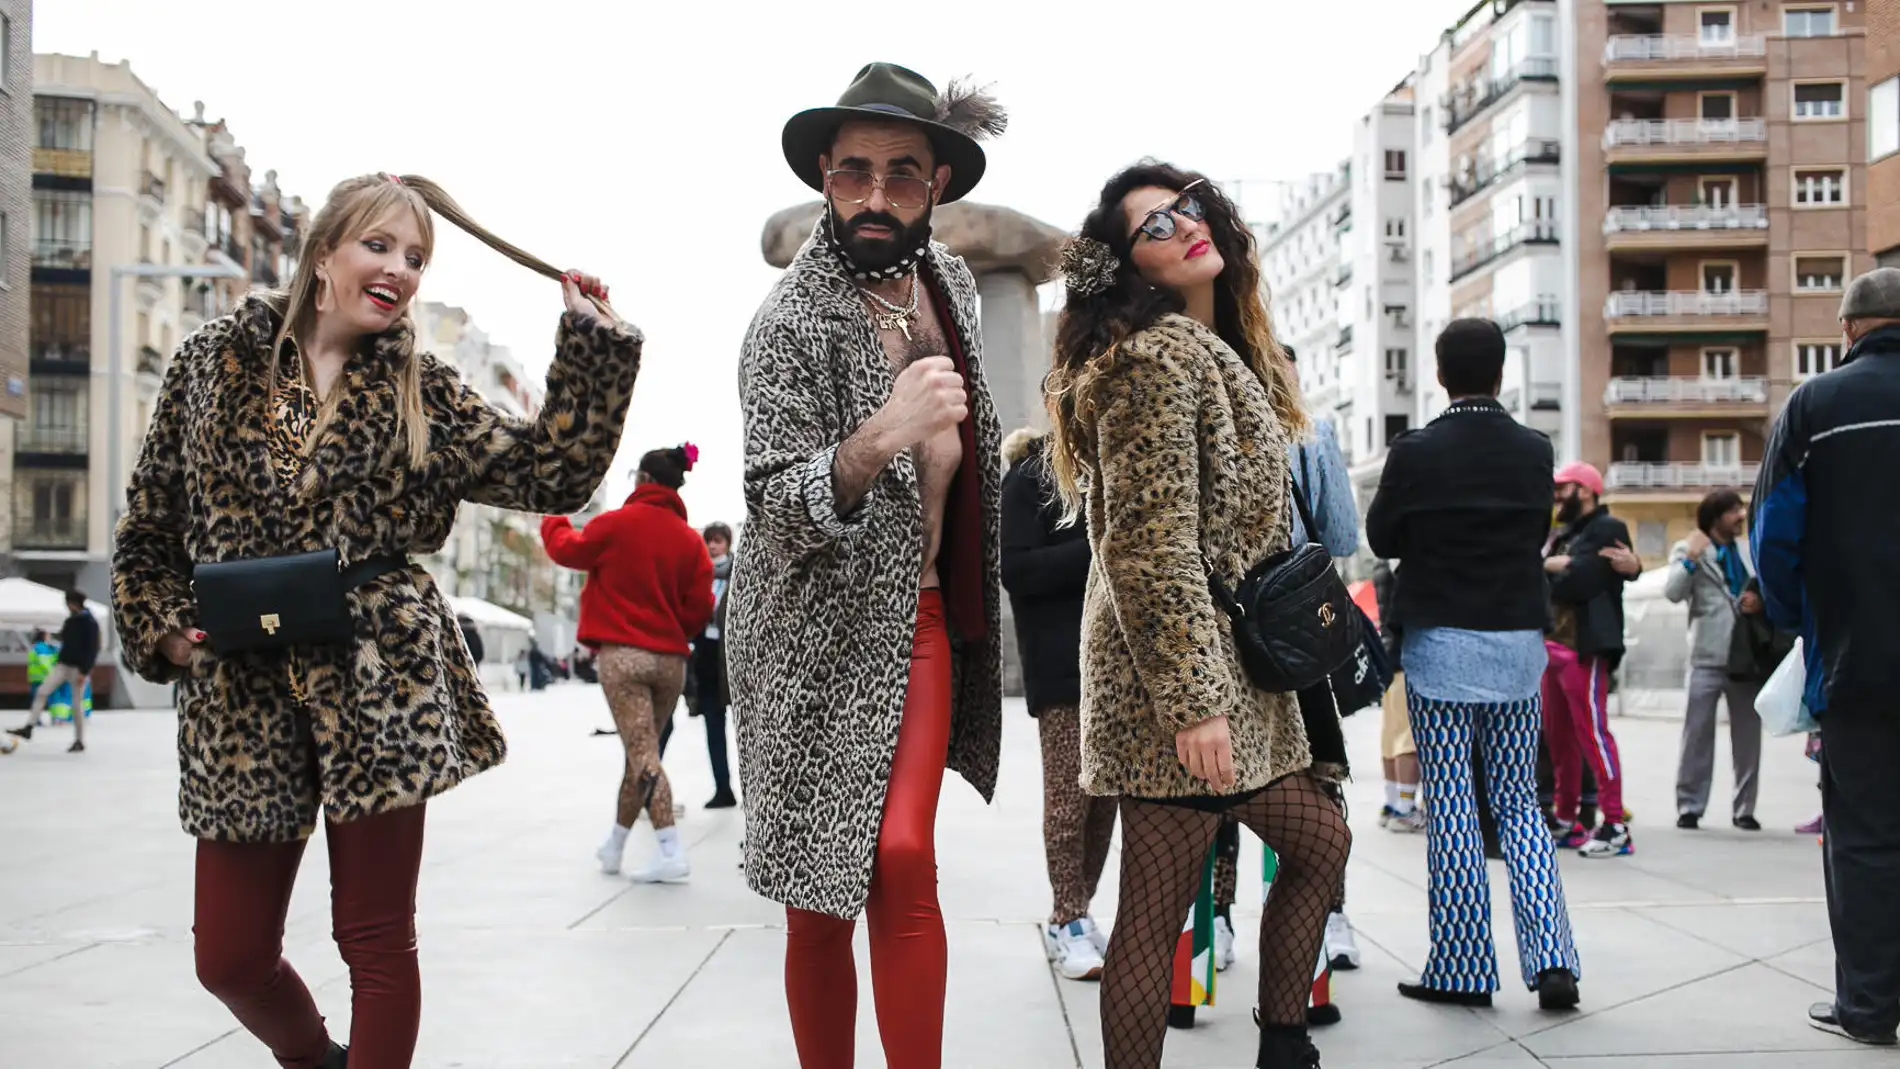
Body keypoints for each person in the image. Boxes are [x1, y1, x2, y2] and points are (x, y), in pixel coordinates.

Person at [110, 172, 642, 1069]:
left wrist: (593, 347)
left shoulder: (421, 390)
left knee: (377, 940)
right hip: (239, 680)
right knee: (230, 955)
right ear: (324, 255)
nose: (399, 268)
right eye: (380, 245)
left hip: (377, 677)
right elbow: (151, 523)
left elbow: (552, 474)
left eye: (417, 256)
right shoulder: (216, 363)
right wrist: (164, 629)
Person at [727, 62, 1006, 1069]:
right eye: (853, 173)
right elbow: (772, 504)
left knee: (899, 854)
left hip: (919, 620)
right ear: (824, 178)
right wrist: (881, 434)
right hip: (804, 638)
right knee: (817, 891)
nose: (875, 196)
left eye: (901, 173)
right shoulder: (787, 326)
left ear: (936, 185)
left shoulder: (953, 288)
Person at [1045, 162, 1351, 1069]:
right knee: (1157, 904)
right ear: (1130, 268)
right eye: (1153, 226)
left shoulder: (1213, 350)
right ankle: (1282, 1047)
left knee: (1319, 843)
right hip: (1176, 675)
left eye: (1183, 208)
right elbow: (1148, 546)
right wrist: (1192, 702)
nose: (1181, 226)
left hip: (1232, 663)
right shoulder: (1147, 362)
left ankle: (1285, 1044)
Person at [1365, 317, 1581, 1012]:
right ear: (1501, 373)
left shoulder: (1416, 450)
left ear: (1439, 373)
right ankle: (1552, 959)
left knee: (1453, 799)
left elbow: (1381, 535)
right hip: (1516, 641)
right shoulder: (1533, 449)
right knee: (1519, 802)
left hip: (1440, 645)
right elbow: (1535, 530)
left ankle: (1461, 967)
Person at [1753, 266, 1900, 1047]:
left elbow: (1774, 534)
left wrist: (1795, 622)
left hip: (1860, 653)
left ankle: (1870, 1008)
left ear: (1848, 330)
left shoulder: (1817, 405)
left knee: (1867, 833)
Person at [543, 445, 716, 883]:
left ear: (641, 480)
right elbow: (700, 609)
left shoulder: (616, 525)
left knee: (642, 754)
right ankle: (615, 846)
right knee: (641, 753)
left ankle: (670, 849)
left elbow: (568, 550)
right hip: (671, 662)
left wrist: (553, 515)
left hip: (623, 658)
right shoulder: (692, 541)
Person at [1001, 425, 1114, 982]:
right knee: (1070, 801)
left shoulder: (1119, 460)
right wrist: (1098, 543)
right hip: (1062, 664)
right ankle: (1068, 916)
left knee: (1107, 799)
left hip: (1120, 666)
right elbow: (1015, 568)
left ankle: (1078, 910)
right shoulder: (1031, 476)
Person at [1543, 462, 1641, 858]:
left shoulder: (1606, 528)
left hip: (1585, 646)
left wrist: (1557, 568)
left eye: (1562, 488)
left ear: (1584, 489)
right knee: (1558, 738)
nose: (1556, 496)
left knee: (1593, 735)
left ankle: (1615, 824)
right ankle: (1568, 820)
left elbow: (1582, 580)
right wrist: (1556, 566)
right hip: (1554, 647)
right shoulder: (1565, 533)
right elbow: (1558, 576)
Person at [1663, 489, 1765, 831]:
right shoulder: (1689, 548)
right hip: (1706, 655)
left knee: (1749, 738)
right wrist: (1691, 557)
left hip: (1747, 656)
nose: (1740, 515)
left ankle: (1744, 809)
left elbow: (1771, 590)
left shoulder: (1750, 552)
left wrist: (1760, 602)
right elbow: (1673, 592)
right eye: (1734, 510)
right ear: (1716, 515)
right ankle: (1690, 806)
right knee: (1696, 735)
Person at [9, 591, 101, 753]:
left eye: (68, 603)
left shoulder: (89, 623)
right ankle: (29, 727)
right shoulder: (71, 621)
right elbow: (65, 640)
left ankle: (79, 740)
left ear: (75, 603)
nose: (67, 606)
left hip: (78, 668)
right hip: (63, 664)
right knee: (42, 691)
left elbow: (92, 649)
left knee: (76, 704)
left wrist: (84, 671)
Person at [690, 521, 737, 809]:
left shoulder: (738, 573)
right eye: (709, 540)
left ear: (728, 543)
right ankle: (723, 788)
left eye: (718, 541)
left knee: (747, 730)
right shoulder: (698, 576)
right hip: (707, 659)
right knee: (713, 726)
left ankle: (754, 794)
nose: (713, 546)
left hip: (731, 657)